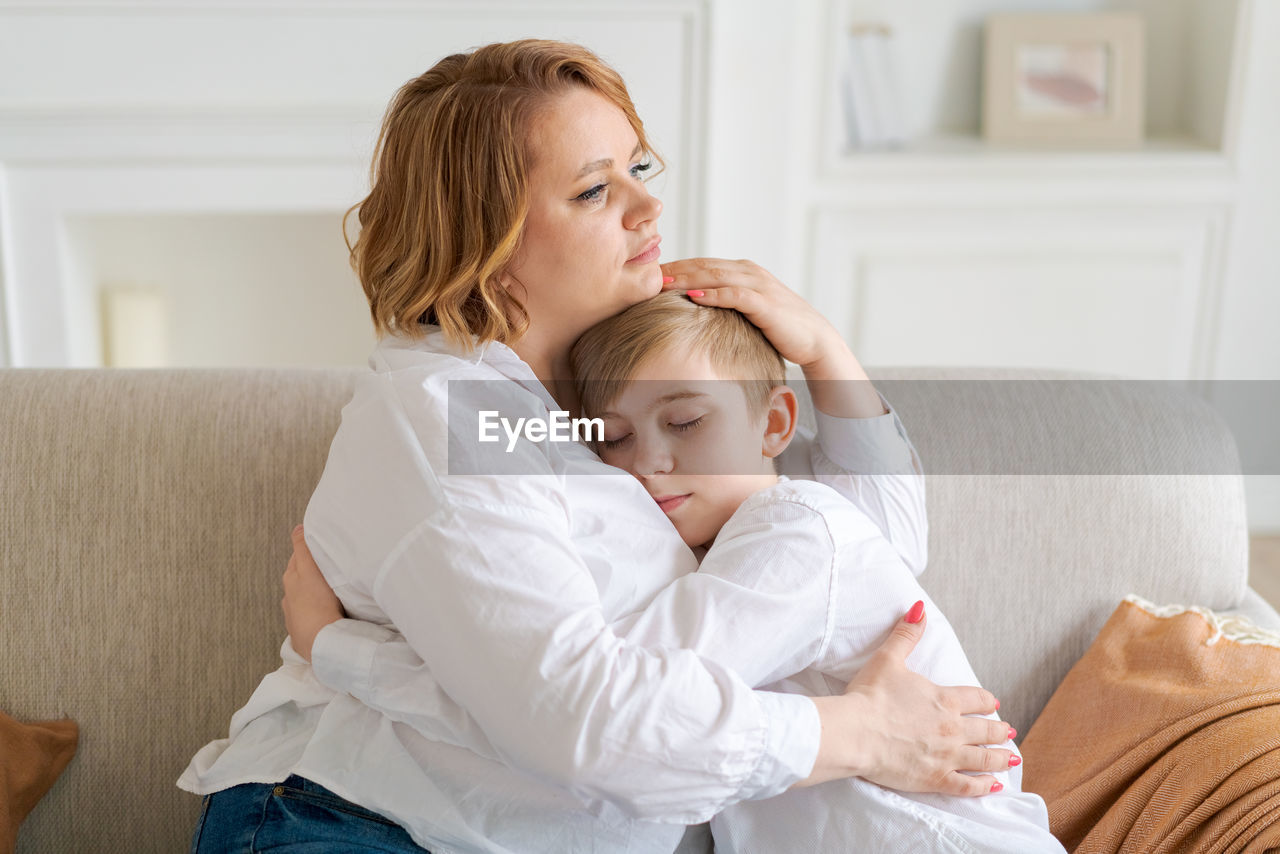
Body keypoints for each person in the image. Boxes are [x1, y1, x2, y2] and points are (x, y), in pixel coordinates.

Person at [180, 39, 1016, 853]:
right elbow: (590, 727)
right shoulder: (446, 415)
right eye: (592, 190)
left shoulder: (614, 406)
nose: (648, 207)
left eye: (638, 169)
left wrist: (826, 351)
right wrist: (857, 734)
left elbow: (865, 558)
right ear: (491, 244)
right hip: (362, 824)